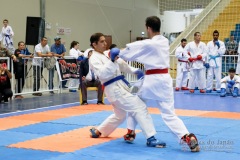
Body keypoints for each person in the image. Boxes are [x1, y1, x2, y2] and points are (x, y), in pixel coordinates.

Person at [119, 16, 200, 152]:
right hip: (165, 79)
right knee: (169, 113)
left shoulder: (150, 43)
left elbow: (129, 52)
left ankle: (130, 132)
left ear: (148, 28)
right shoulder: (164, 41)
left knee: (135, 103)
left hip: (152, 80)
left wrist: (119, 52)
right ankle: (187, 136)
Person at [88, 32, 166, 148]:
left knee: (120, 115)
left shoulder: (105, 54)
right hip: (114, 89)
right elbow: (102, 74)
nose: (105, 43)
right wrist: (112, 60)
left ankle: (99, 131)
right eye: (102, 41)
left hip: (119, 87)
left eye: (105, 41)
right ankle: (151, 138)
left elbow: (121, 64)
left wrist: (134, 71)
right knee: (139, 107)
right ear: (94, 44)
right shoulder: (93, 58)